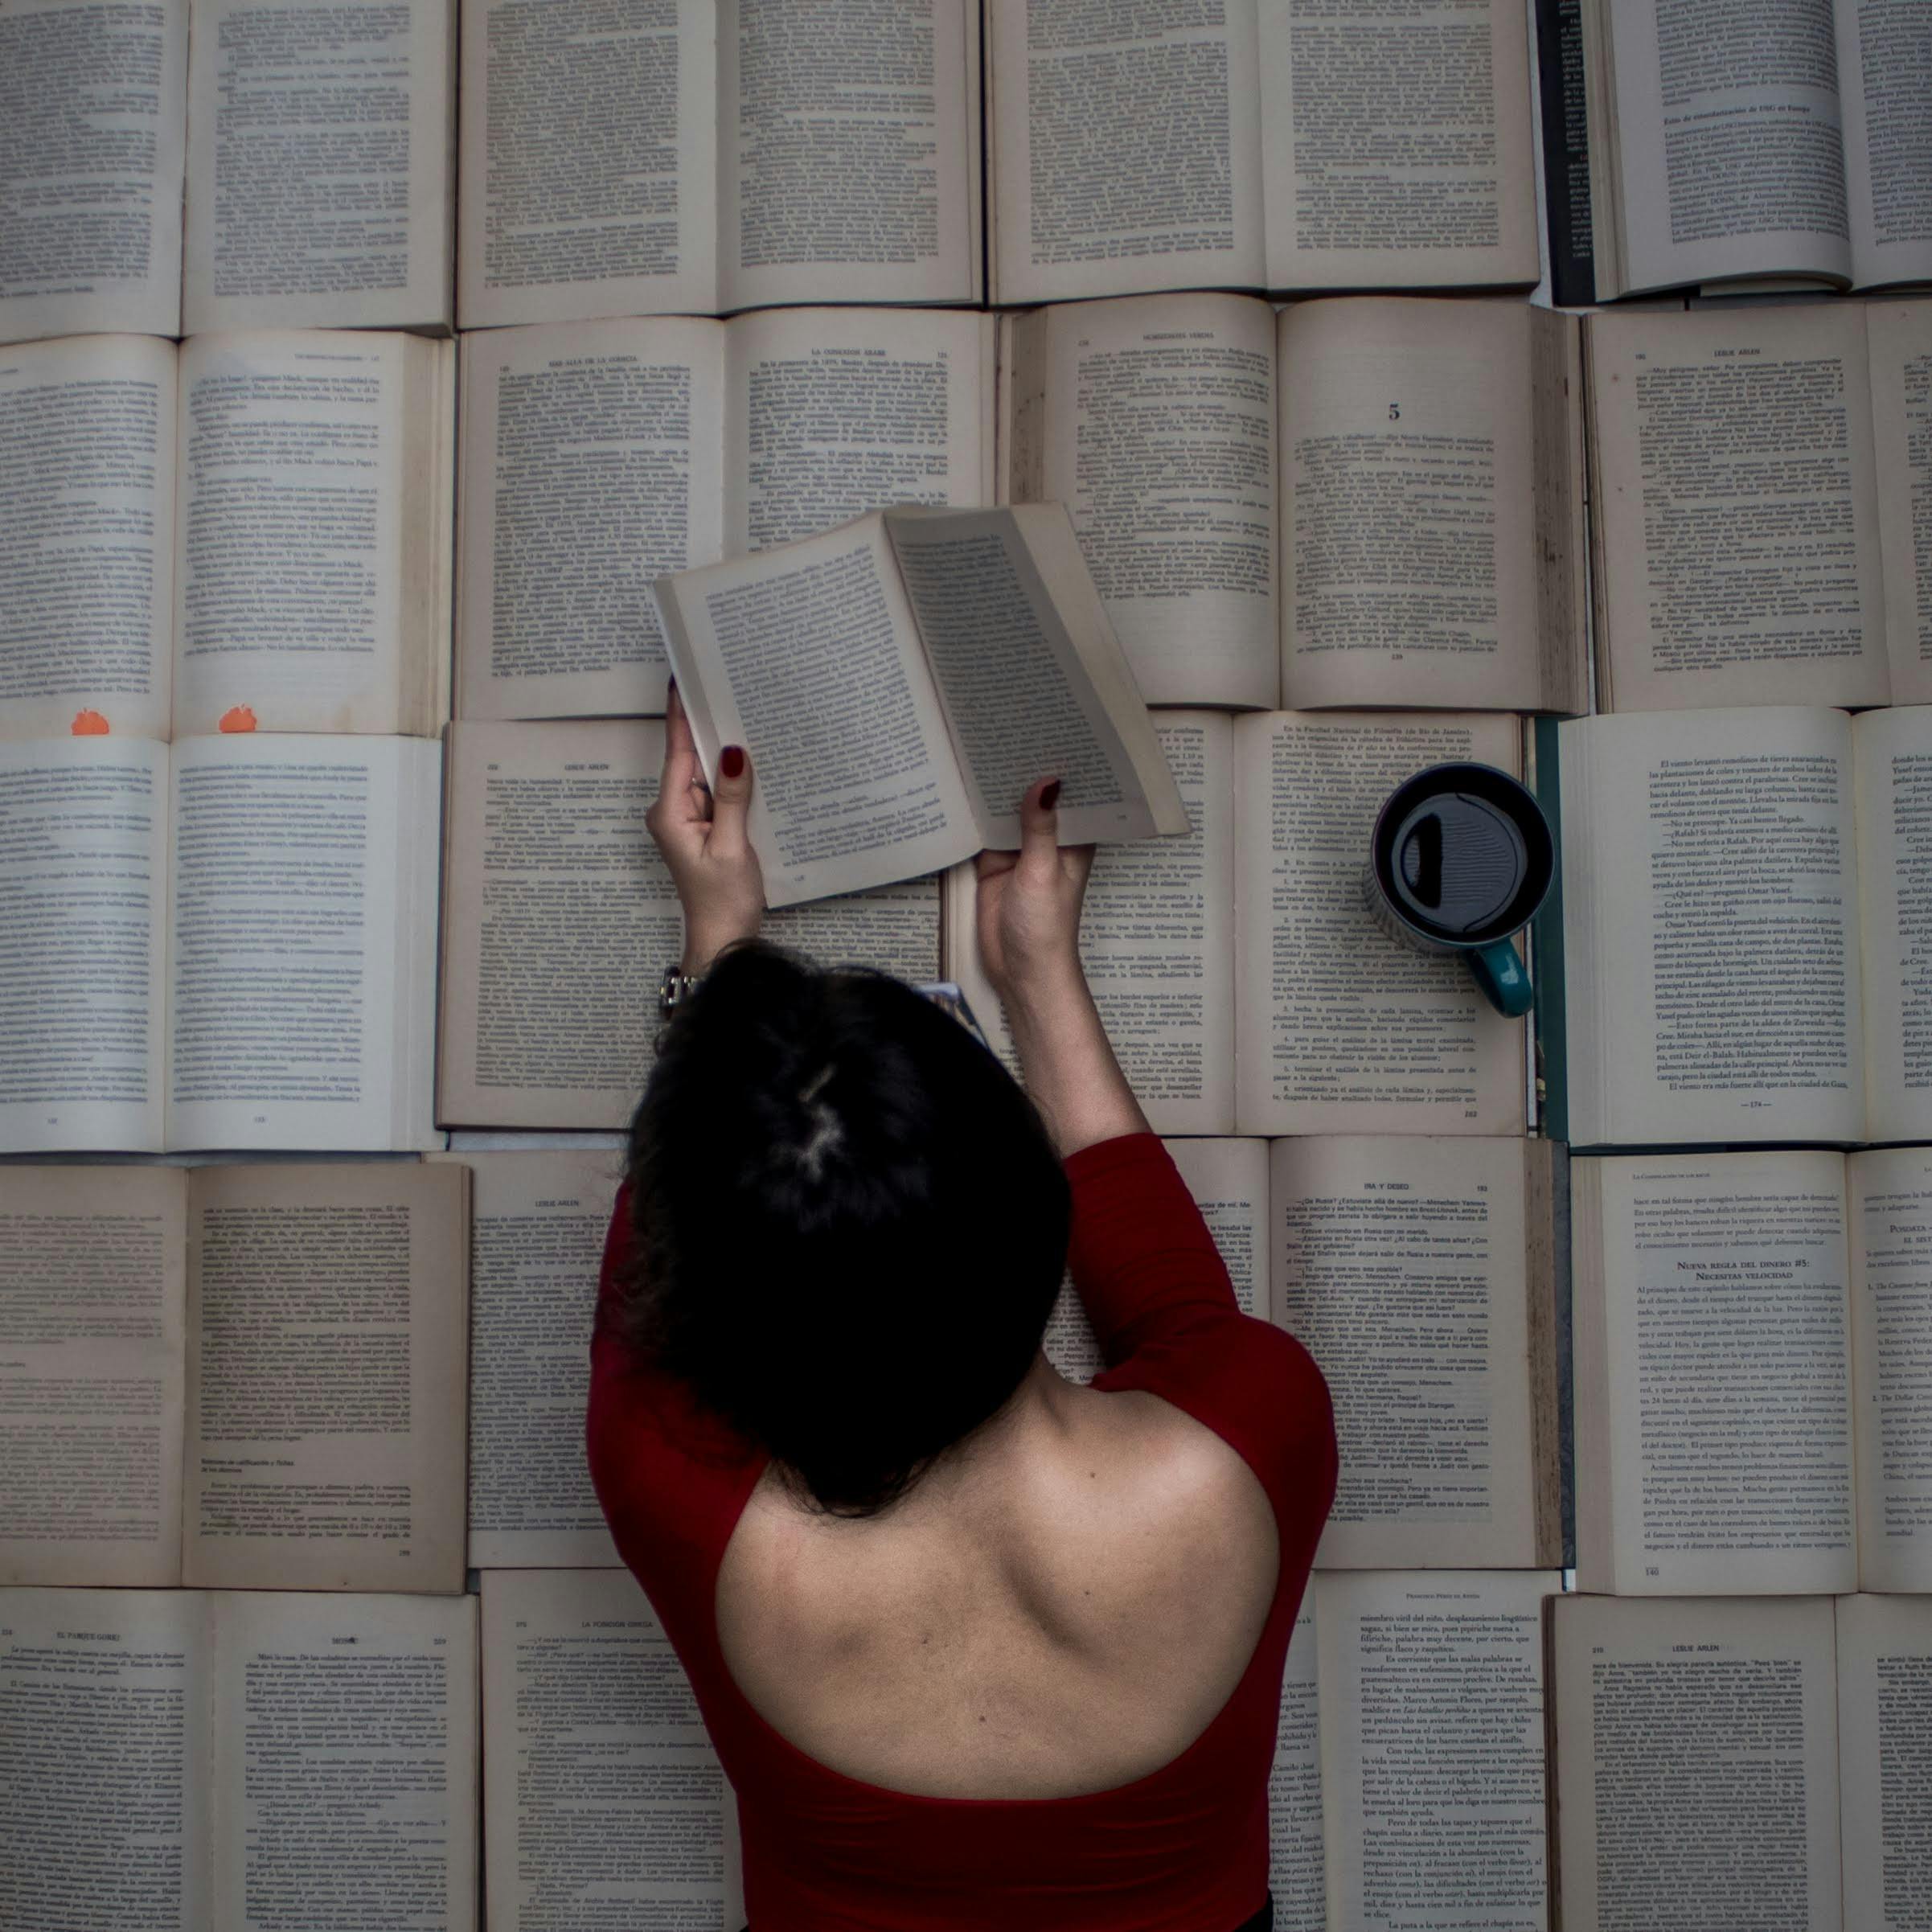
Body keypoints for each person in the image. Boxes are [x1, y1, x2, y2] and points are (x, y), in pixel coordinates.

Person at [586, 686, 1339, 1932]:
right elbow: (1174, 1315)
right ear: (1044, 1216)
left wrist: (719, 932)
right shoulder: (1260, 1435)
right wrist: (1040, 975)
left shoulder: (664, 1481)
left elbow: (668, 1257)